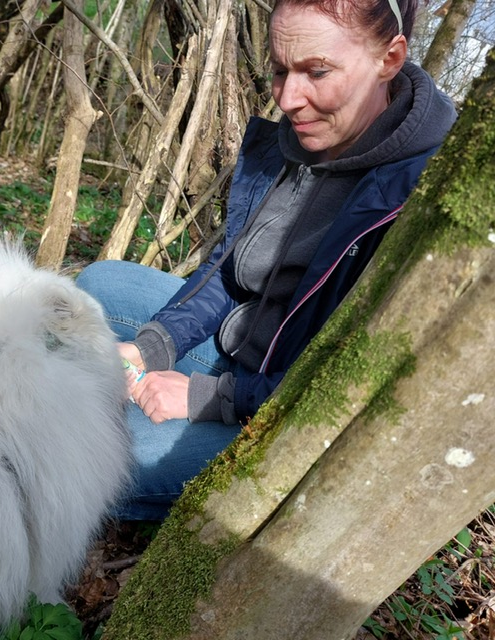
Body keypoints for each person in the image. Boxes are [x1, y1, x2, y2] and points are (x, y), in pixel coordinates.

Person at [76, 0, 457, 521]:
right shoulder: (300, 141)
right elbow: (229, 271)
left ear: (389, 58)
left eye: (317, 72)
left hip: (288, 415)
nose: (288, 98)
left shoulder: (420, 196)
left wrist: (209, 398)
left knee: (103, 460)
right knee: (99, 283)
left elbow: (354, 385)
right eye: (280, 70)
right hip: (241, 347)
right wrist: (154, 347)